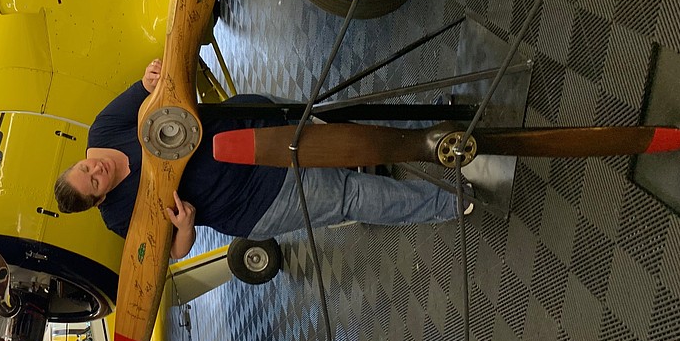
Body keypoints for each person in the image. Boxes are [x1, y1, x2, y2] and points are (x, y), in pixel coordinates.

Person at [53, 60, 471, 258]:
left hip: (253, 121)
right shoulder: (118, 217)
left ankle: (439, 128)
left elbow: (151, 89)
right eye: (93, 182)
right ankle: (452, 201)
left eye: (85, 167)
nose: (96, 169)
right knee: (349, 195)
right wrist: (182, 228)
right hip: (257, 199)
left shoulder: (102, 132)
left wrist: (149, 78)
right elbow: (175, 253)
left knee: (340, 119)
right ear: (99, 199)